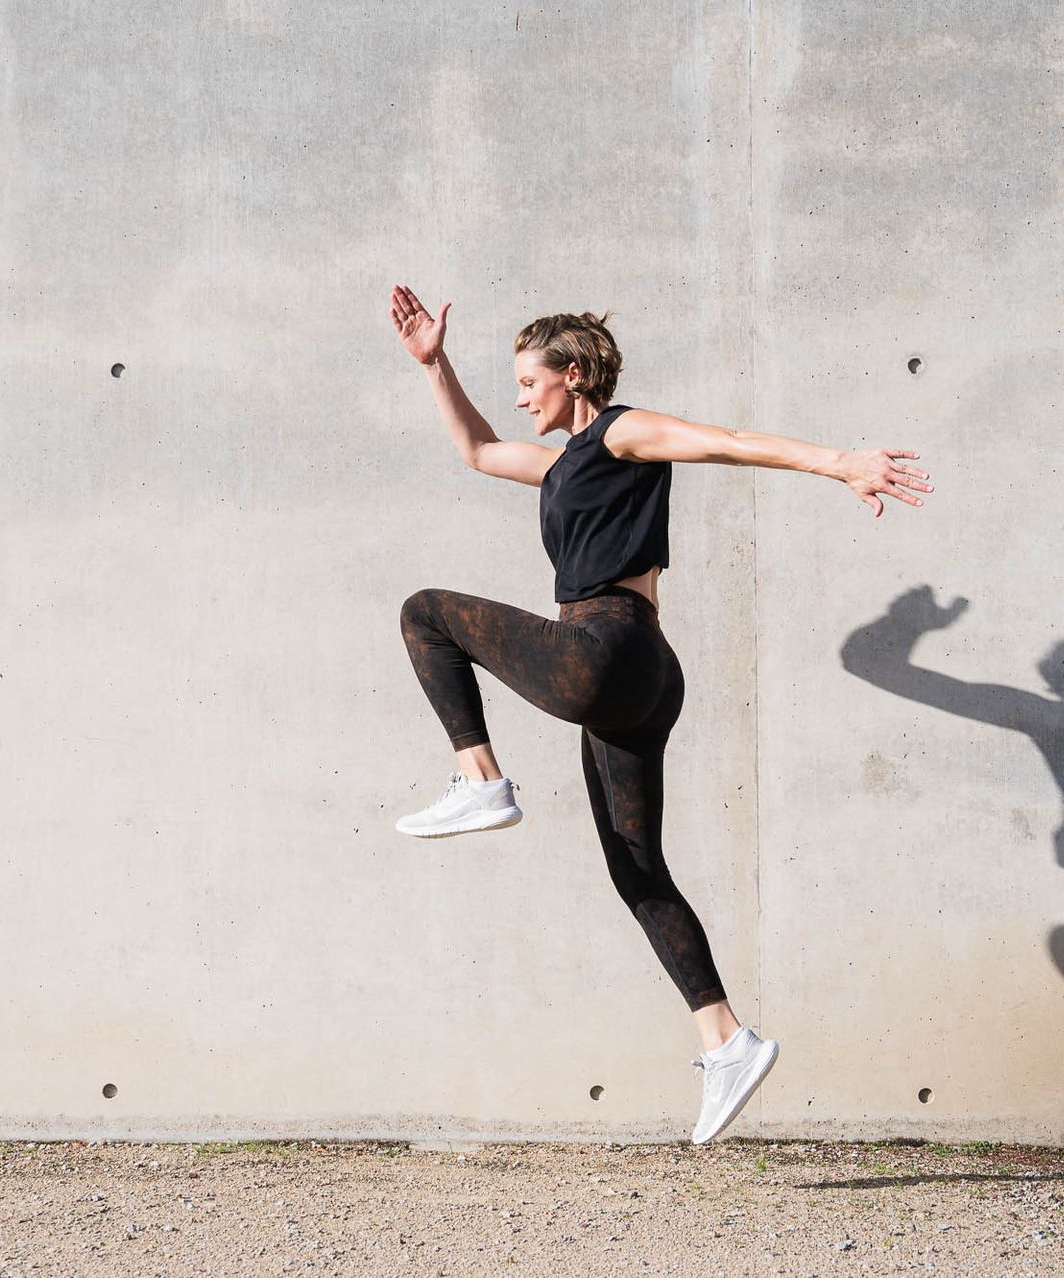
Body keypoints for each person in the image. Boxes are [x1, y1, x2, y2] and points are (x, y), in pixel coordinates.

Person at [386, 284, 932, 1143]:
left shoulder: (621, 432)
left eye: (529, 381)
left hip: (604, 648)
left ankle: (480, 779)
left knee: (425, 612)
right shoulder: (565, 465)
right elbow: (479, 451)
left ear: (572, 375)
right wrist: (433, 364)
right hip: (638, 671)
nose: (521, 398)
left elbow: (728, 442)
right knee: (637, 869)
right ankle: (727, 1040)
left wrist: (841, 463)